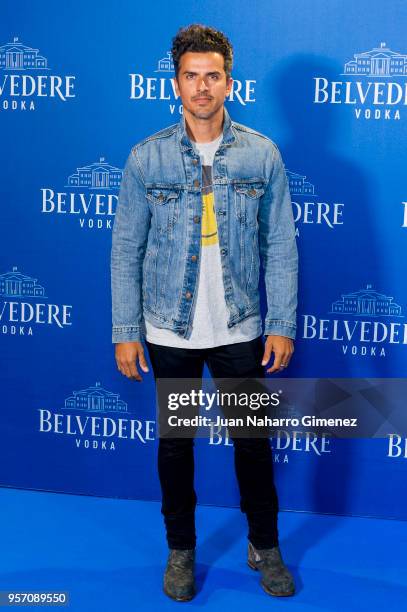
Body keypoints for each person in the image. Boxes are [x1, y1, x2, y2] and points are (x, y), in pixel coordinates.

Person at [111, 23, 298, 601]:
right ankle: (181, 551)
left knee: (251, 445)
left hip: (240, 327)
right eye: (191, 76)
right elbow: (126, 248)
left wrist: (281, 322)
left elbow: (280, 244)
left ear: (228, 83)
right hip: (169, 328)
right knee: (175, 446)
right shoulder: (147, 158)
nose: (201, 87)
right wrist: (125, 331)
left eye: (212, 76)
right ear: (177, 82)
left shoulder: (262, 153)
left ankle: (264, 546)